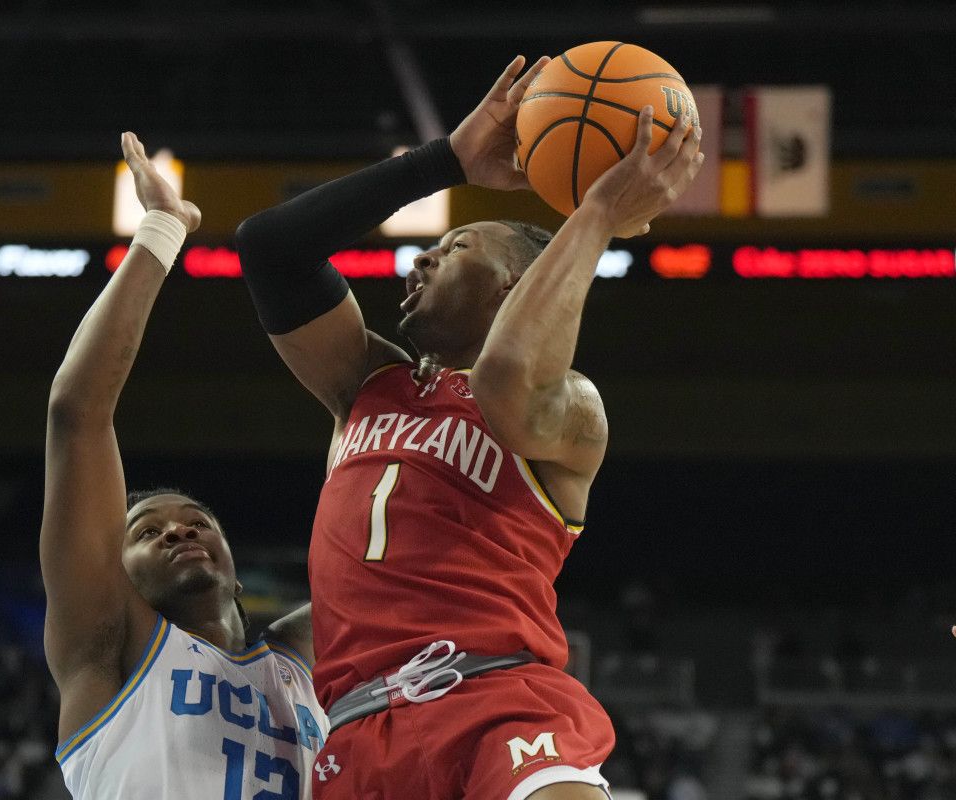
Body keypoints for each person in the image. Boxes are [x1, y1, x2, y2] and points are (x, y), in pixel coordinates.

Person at [236, 55, 703, 800]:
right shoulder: (365, 384)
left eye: (455, 248)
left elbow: (505, 377)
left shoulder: (573, 409)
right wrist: (444, 161)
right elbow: (271, 249)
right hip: (356, 738)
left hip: (497, 706)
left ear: (514, 286)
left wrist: (594, 216)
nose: (421, 255)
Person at [41, 131, 326, 799]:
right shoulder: (104, 649)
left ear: (230, 557)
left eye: (196, 522)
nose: (178, 531)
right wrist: (164, 228)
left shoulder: (295, 658)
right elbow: (76, 413)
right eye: (146, 532)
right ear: (118, 572)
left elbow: (414, 558)